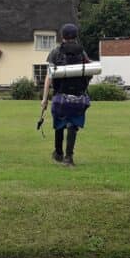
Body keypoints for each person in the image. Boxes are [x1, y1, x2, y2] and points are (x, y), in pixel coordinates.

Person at [40, 23, 92, 167]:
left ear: (62, 36)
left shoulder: (55, 52)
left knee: (59, 124)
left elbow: (49, 77)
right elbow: (89, 73)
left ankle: (58, 153)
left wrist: (44, 99)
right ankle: (69, 158)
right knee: (72, 124)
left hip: (60, 97)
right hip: (79, 97)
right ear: (76, 36)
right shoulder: (82, 53)